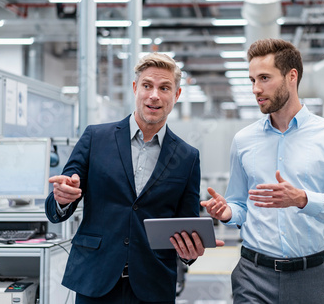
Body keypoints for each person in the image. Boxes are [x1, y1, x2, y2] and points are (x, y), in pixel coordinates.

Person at [45, 52, 223, 304]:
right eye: (147, 85)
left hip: (153, 285)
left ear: (177, 95)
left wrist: (190, 252)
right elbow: (56, 207)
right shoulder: (95, 138)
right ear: (135, 88)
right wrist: (62, 199)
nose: (154, 95)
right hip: (95, 279)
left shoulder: (187, 157)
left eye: (164, 88)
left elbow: (187, 223)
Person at [201, 38, 324, 304]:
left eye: (264, 78)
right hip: (252, 275)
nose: (256, 89)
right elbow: (240, 203)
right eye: (252, 80)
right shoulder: (244, 140)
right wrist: (228, 212)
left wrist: (302, 199)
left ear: (292, 76)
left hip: (310, 277)